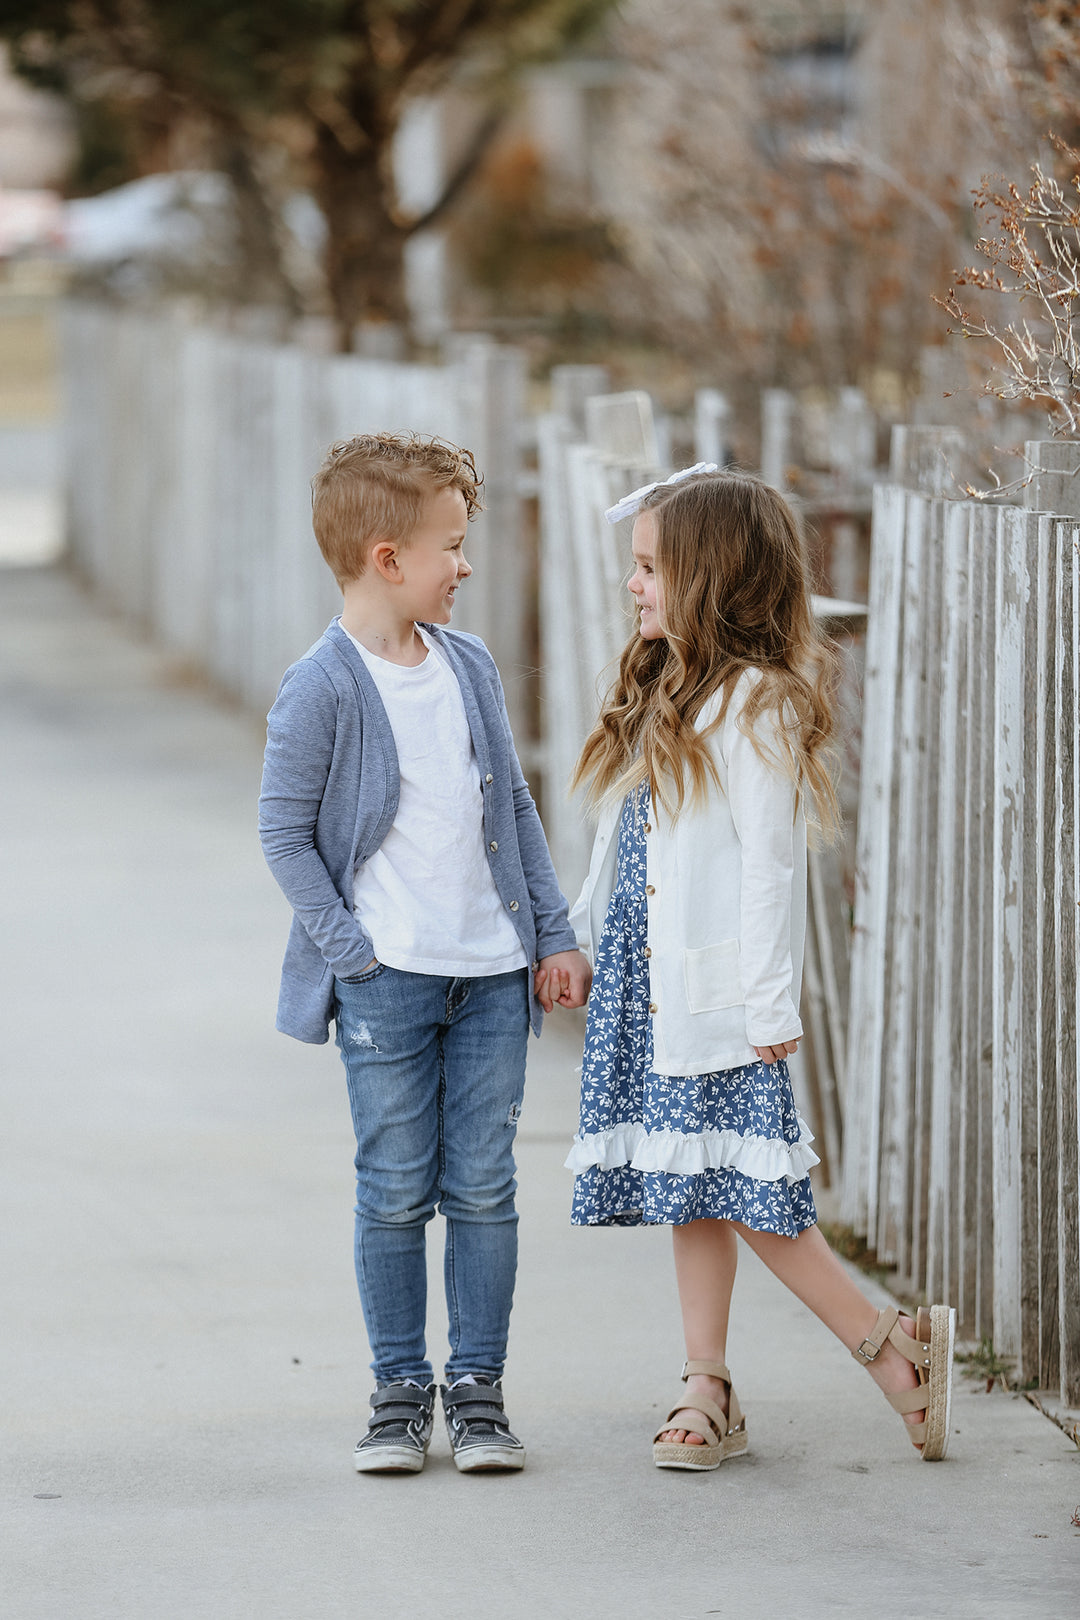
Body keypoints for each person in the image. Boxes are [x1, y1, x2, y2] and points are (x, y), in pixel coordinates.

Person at [545, 466, 954, 1470]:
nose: (633, 586)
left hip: (722, 1000)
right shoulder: (669, 687)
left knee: (747, 1194)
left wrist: (767, 999)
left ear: (712, 578)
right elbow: (628, 846)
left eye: (650, 568)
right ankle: (707, 1382)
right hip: (654, 993)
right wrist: (586, 942)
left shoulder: (757, 703)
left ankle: (890, 1347)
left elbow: (770, 866)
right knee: (693, 1186)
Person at [259, 432, 591, 1476]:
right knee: (396, 1187)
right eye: (451, 545)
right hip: (387, 984)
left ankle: (479, 1393)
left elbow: (515, 802)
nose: (466, 564)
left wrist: (550, 933)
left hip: (491, 977)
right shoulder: (320, 687)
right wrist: (350, 951)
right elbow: (283, 835)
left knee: (484, 1187)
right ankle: (400, 1392)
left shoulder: (468, 665)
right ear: (385, 558)